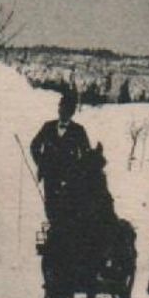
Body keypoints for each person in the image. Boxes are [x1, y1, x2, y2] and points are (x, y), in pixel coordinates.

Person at [29, 90, 91, 222]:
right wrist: (42, 164)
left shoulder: (79, 131)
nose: (63, 112)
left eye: (67, 110)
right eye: (61, 108)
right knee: (51, 209)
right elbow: (34, 146)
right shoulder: (48, 127)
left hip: (70, 180)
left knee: (68, 211)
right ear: (59, 109)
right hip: (50, 178)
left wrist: (78, 172)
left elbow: (87, 156)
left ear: (72, 113)